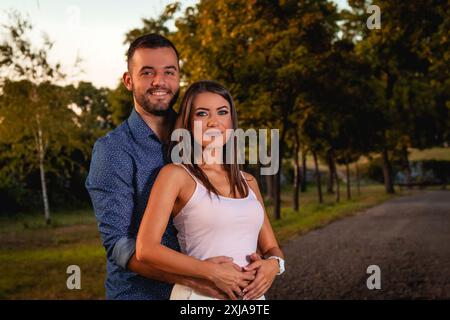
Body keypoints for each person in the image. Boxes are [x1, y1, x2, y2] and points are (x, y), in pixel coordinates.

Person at [86, 34, 244, 299]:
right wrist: (196, 277)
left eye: (169, 72)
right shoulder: (112, 150)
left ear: (178, 78)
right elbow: (119, 246)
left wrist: (271, 262)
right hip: (142, 294)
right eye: (147, 72)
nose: (159, 81)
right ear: (129, 80)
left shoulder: (201, 134)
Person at [135, 80, 285, 300]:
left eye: (222, 112)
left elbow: (271, 246)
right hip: (198, 297)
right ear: (187, 124)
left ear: (232, 122)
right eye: (202, 114)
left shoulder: (248, 181)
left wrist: (274, 265)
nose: (214, 121)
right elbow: (146, 249)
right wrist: (211, 272)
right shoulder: (176, 175)